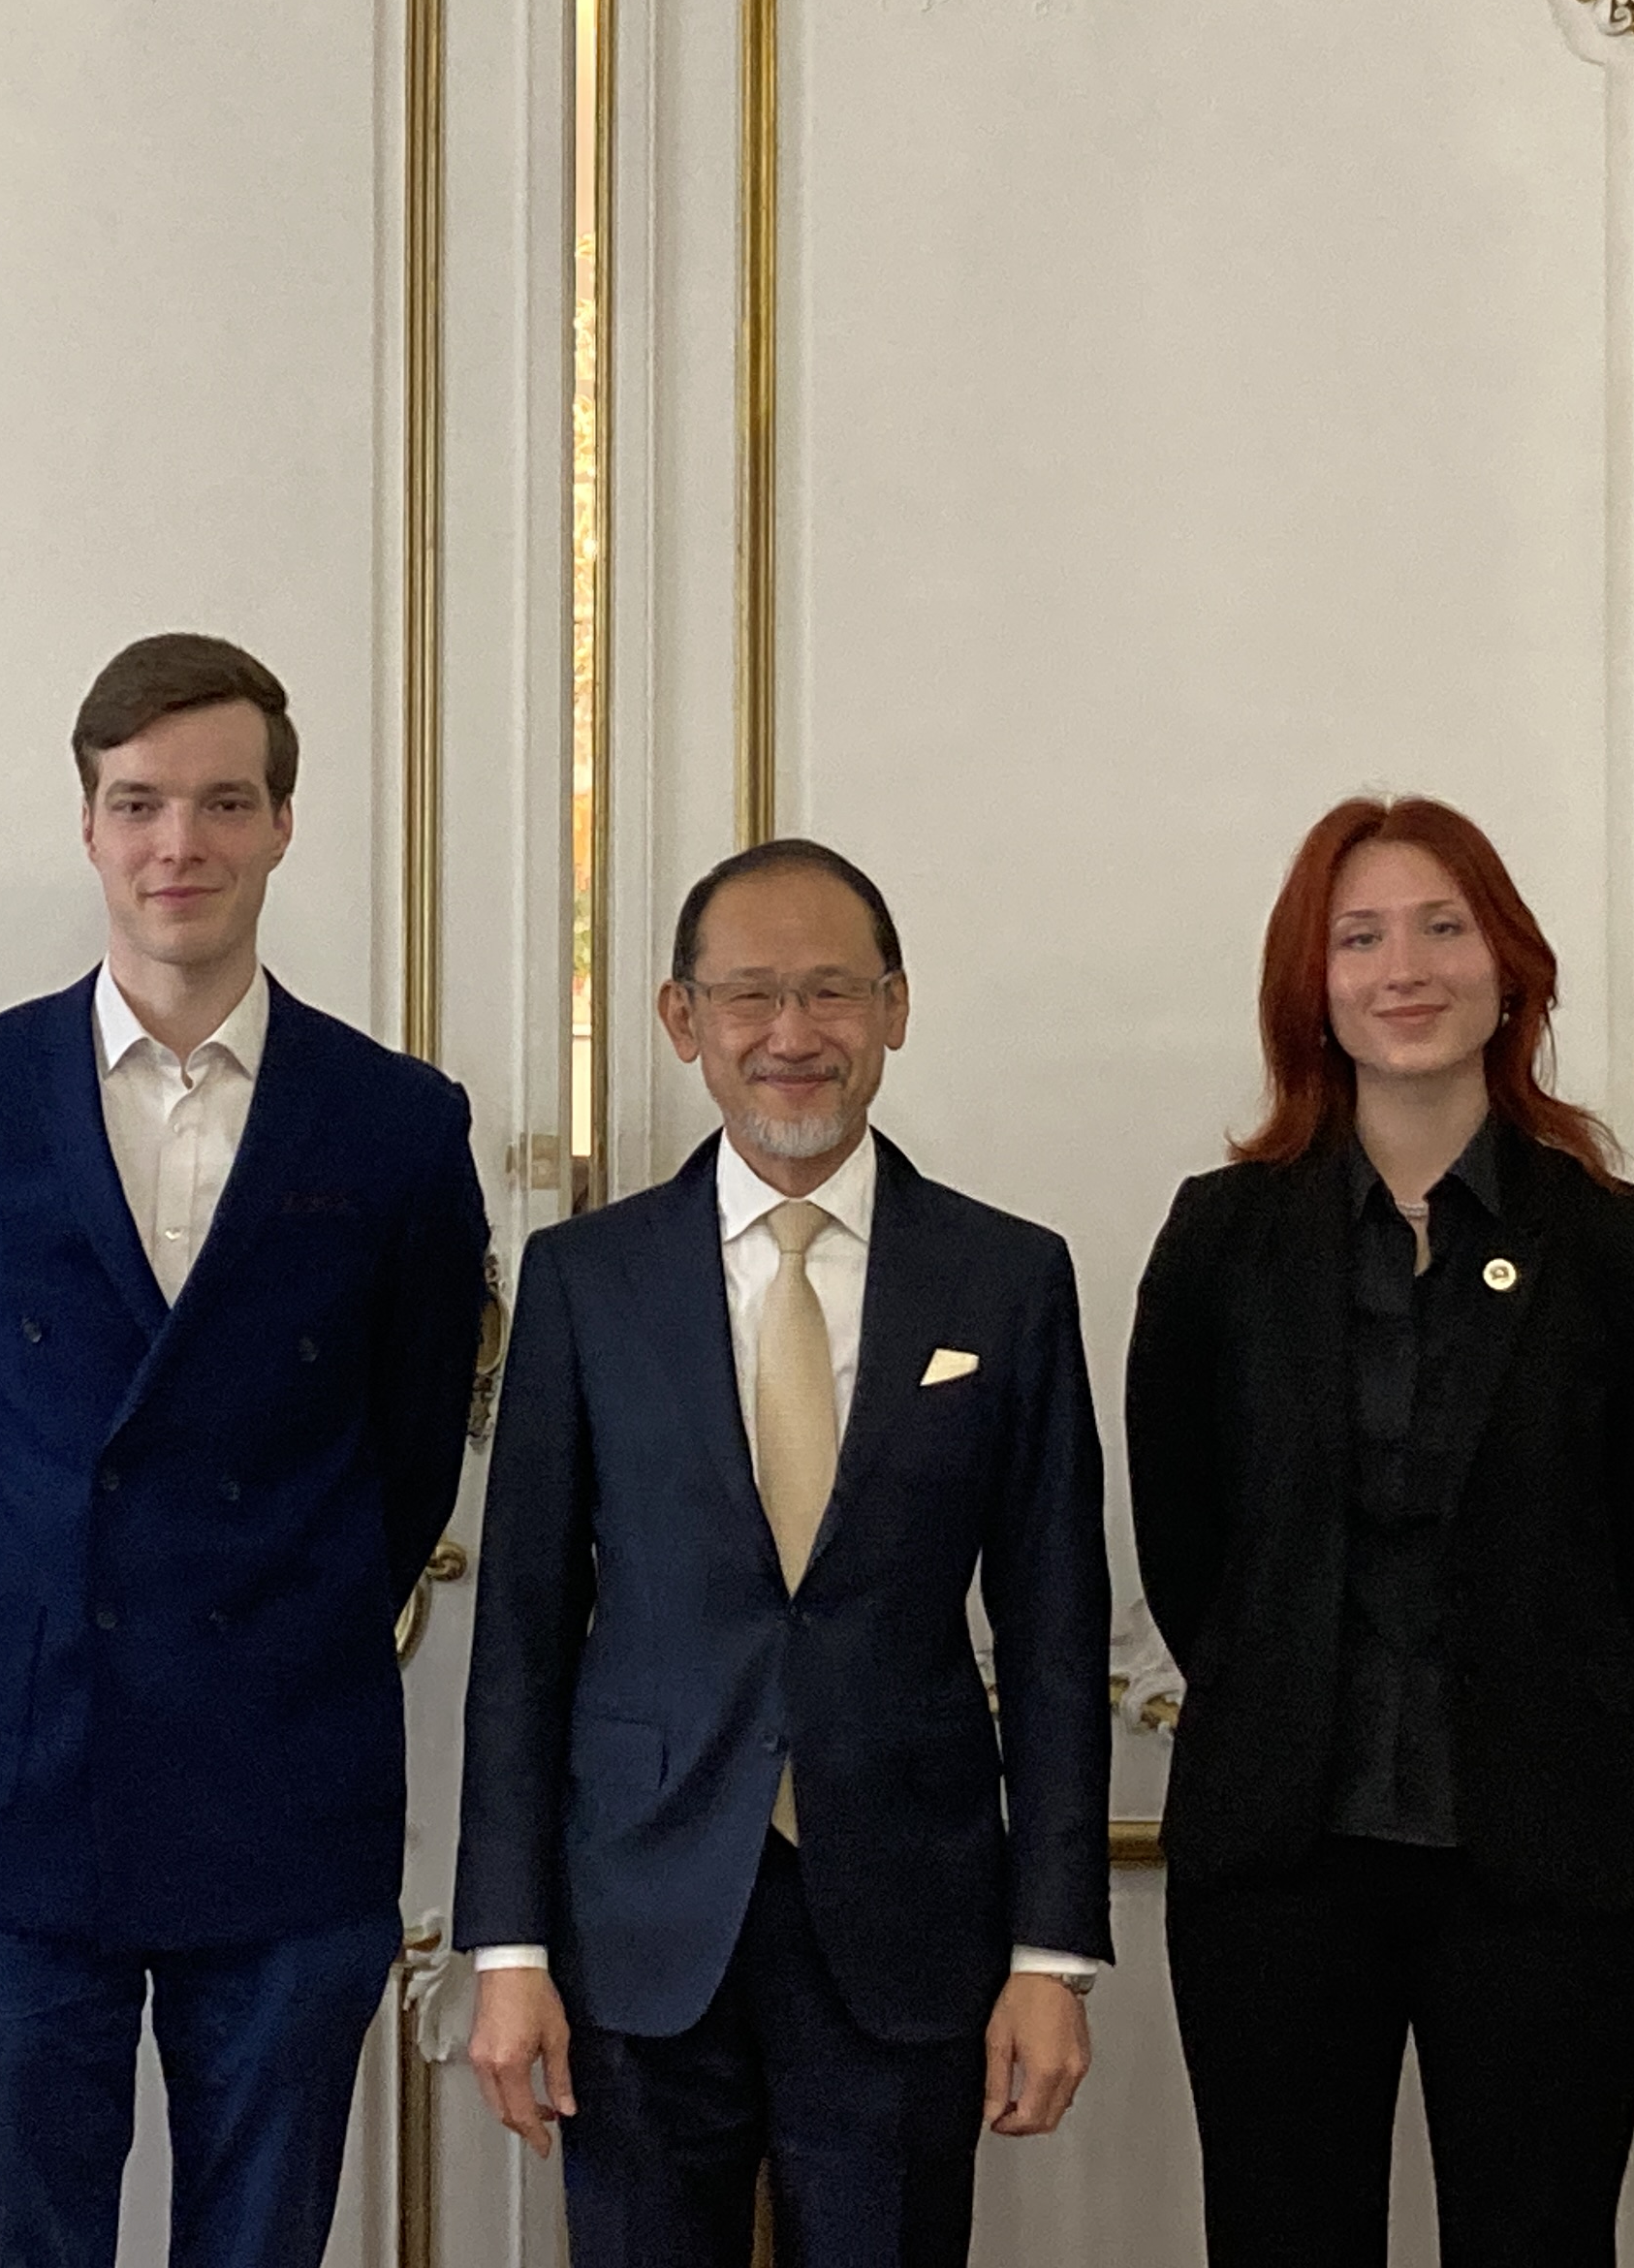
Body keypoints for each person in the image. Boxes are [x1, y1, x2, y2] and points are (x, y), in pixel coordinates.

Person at [0, 633, 491, 2268]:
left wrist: (281, 1613)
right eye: (138, 803)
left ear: (282, 824)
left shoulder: (400, 1124)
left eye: (221, 803)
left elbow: (410, 1446)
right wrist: (36, 1608)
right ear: (87, 824)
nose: (178, 844)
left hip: (287, 1776)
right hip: (20, 1781)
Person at [456, 836, 1113, 2268]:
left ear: (895, 1007)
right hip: (637, 1922)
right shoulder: (588, 1280)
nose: (792, 1034)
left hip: (910, 1915)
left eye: (832, 991)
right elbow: (520, 1633)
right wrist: (506, 1946)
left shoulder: (1007, 1277)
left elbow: (1057, 1633)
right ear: (681, 1018)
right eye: (749, 995)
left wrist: (1052, 1954)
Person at [1123, 795, 1634, 2267]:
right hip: (1280, 1859)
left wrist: (1556, 1711)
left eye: (1444, 928)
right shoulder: (1221, 1240)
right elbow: (1187, 1543)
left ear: (1507, 967)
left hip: (1547, 1858)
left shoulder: (1618, 1245)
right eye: (1361, 937)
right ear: (1312, 984)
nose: (1405, 968)